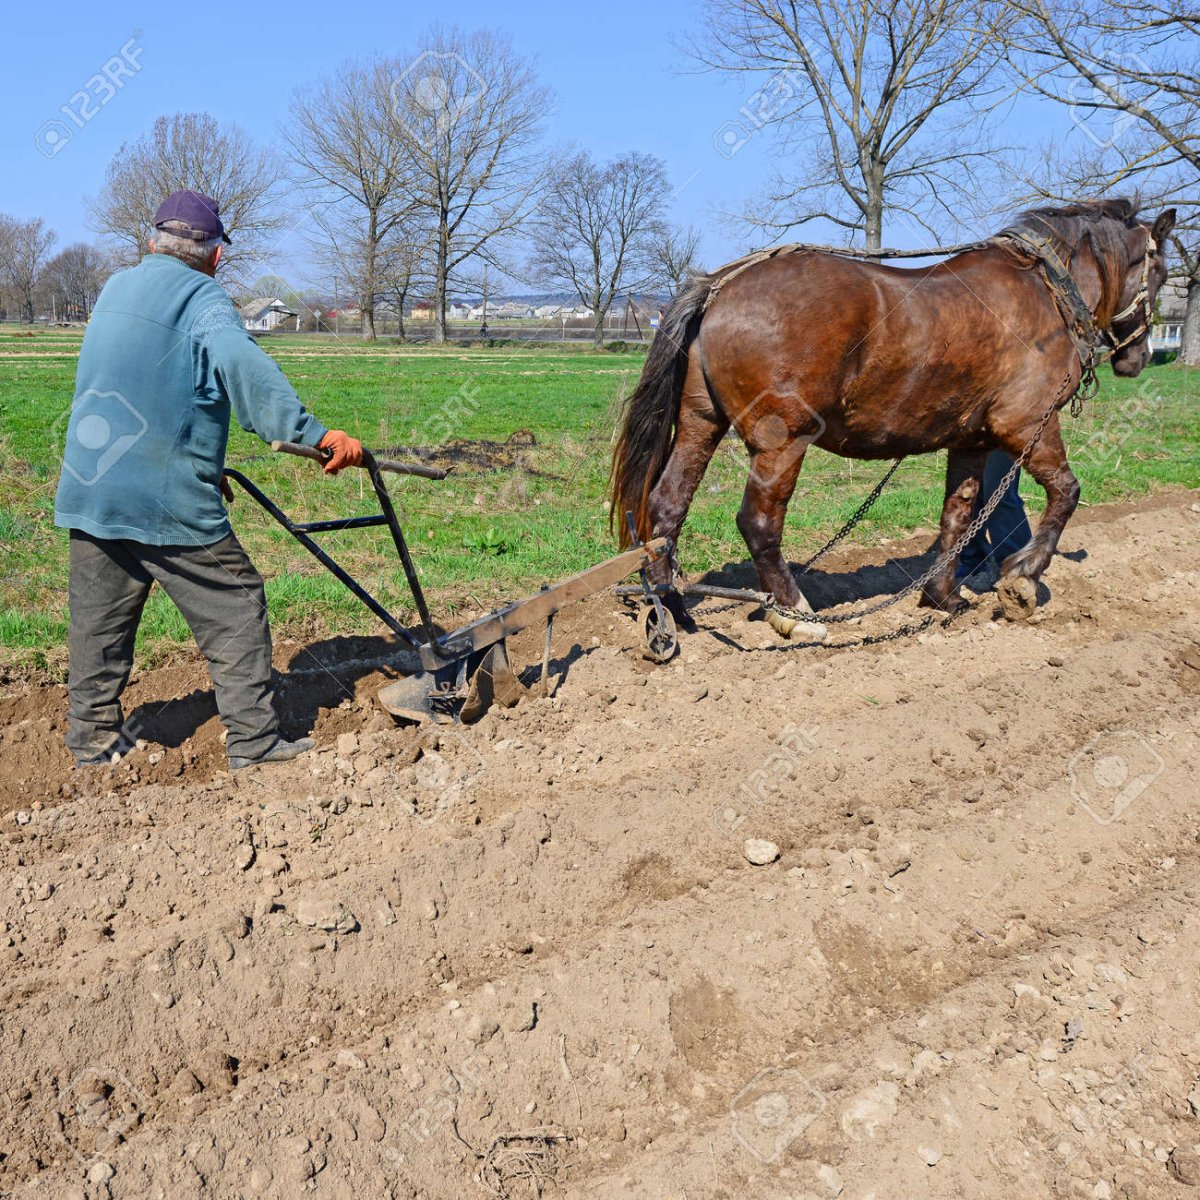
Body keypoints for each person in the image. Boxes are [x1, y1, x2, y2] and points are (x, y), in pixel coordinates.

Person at [54, 190, 364, 770]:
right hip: (164, 502)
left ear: (152, 243)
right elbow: (245, 369)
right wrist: (318, 436)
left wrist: (198, 457)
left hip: (90, 486)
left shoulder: (116, 290)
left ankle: (92, 743)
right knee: (237, 601)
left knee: (97, 625)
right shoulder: (205, 299)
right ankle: (255, 743)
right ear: (215, 255)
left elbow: (138, 383)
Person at [957, 450, 1033, 592]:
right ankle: (974, 559)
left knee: (998, 491)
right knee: (968, 489)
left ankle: (1018, 570)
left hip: (1006, 429)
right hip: (968, 429)